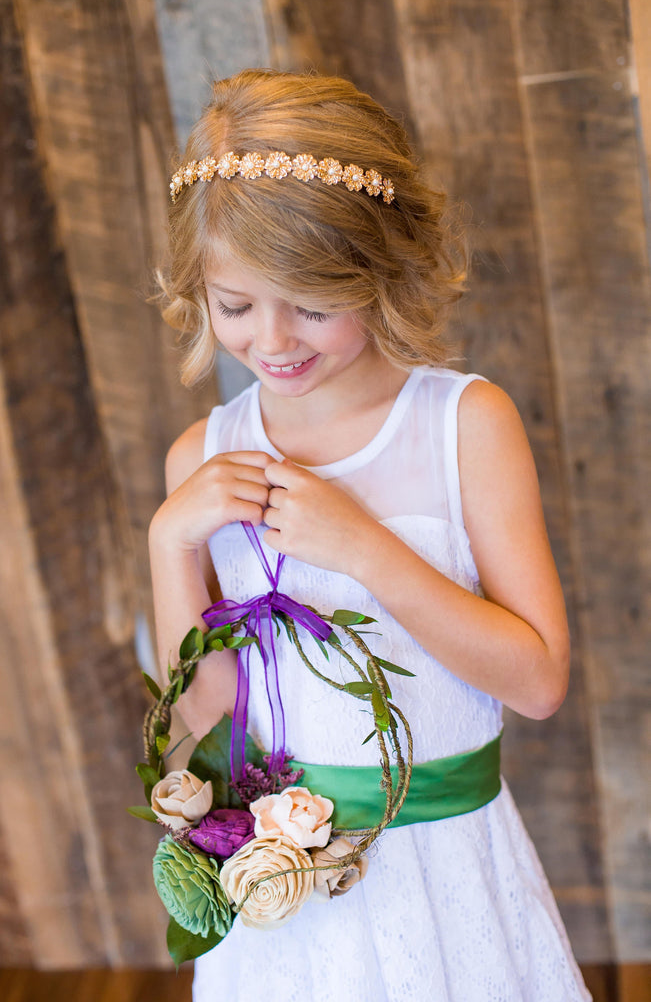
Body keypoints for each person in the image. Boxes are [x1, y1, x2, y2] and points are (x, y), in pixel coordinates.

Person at [149, 68, 591, 1002]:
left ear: (380, 269)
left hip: (446, 868)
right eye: (236, 306)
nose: (273, 341)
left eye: (312, 304)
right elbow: (212, 716)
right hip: (284, 899)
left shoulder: (464, 426)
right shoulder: (205, 455)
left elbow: (538, 682)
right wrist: (169, 543)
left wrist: (363, 548)